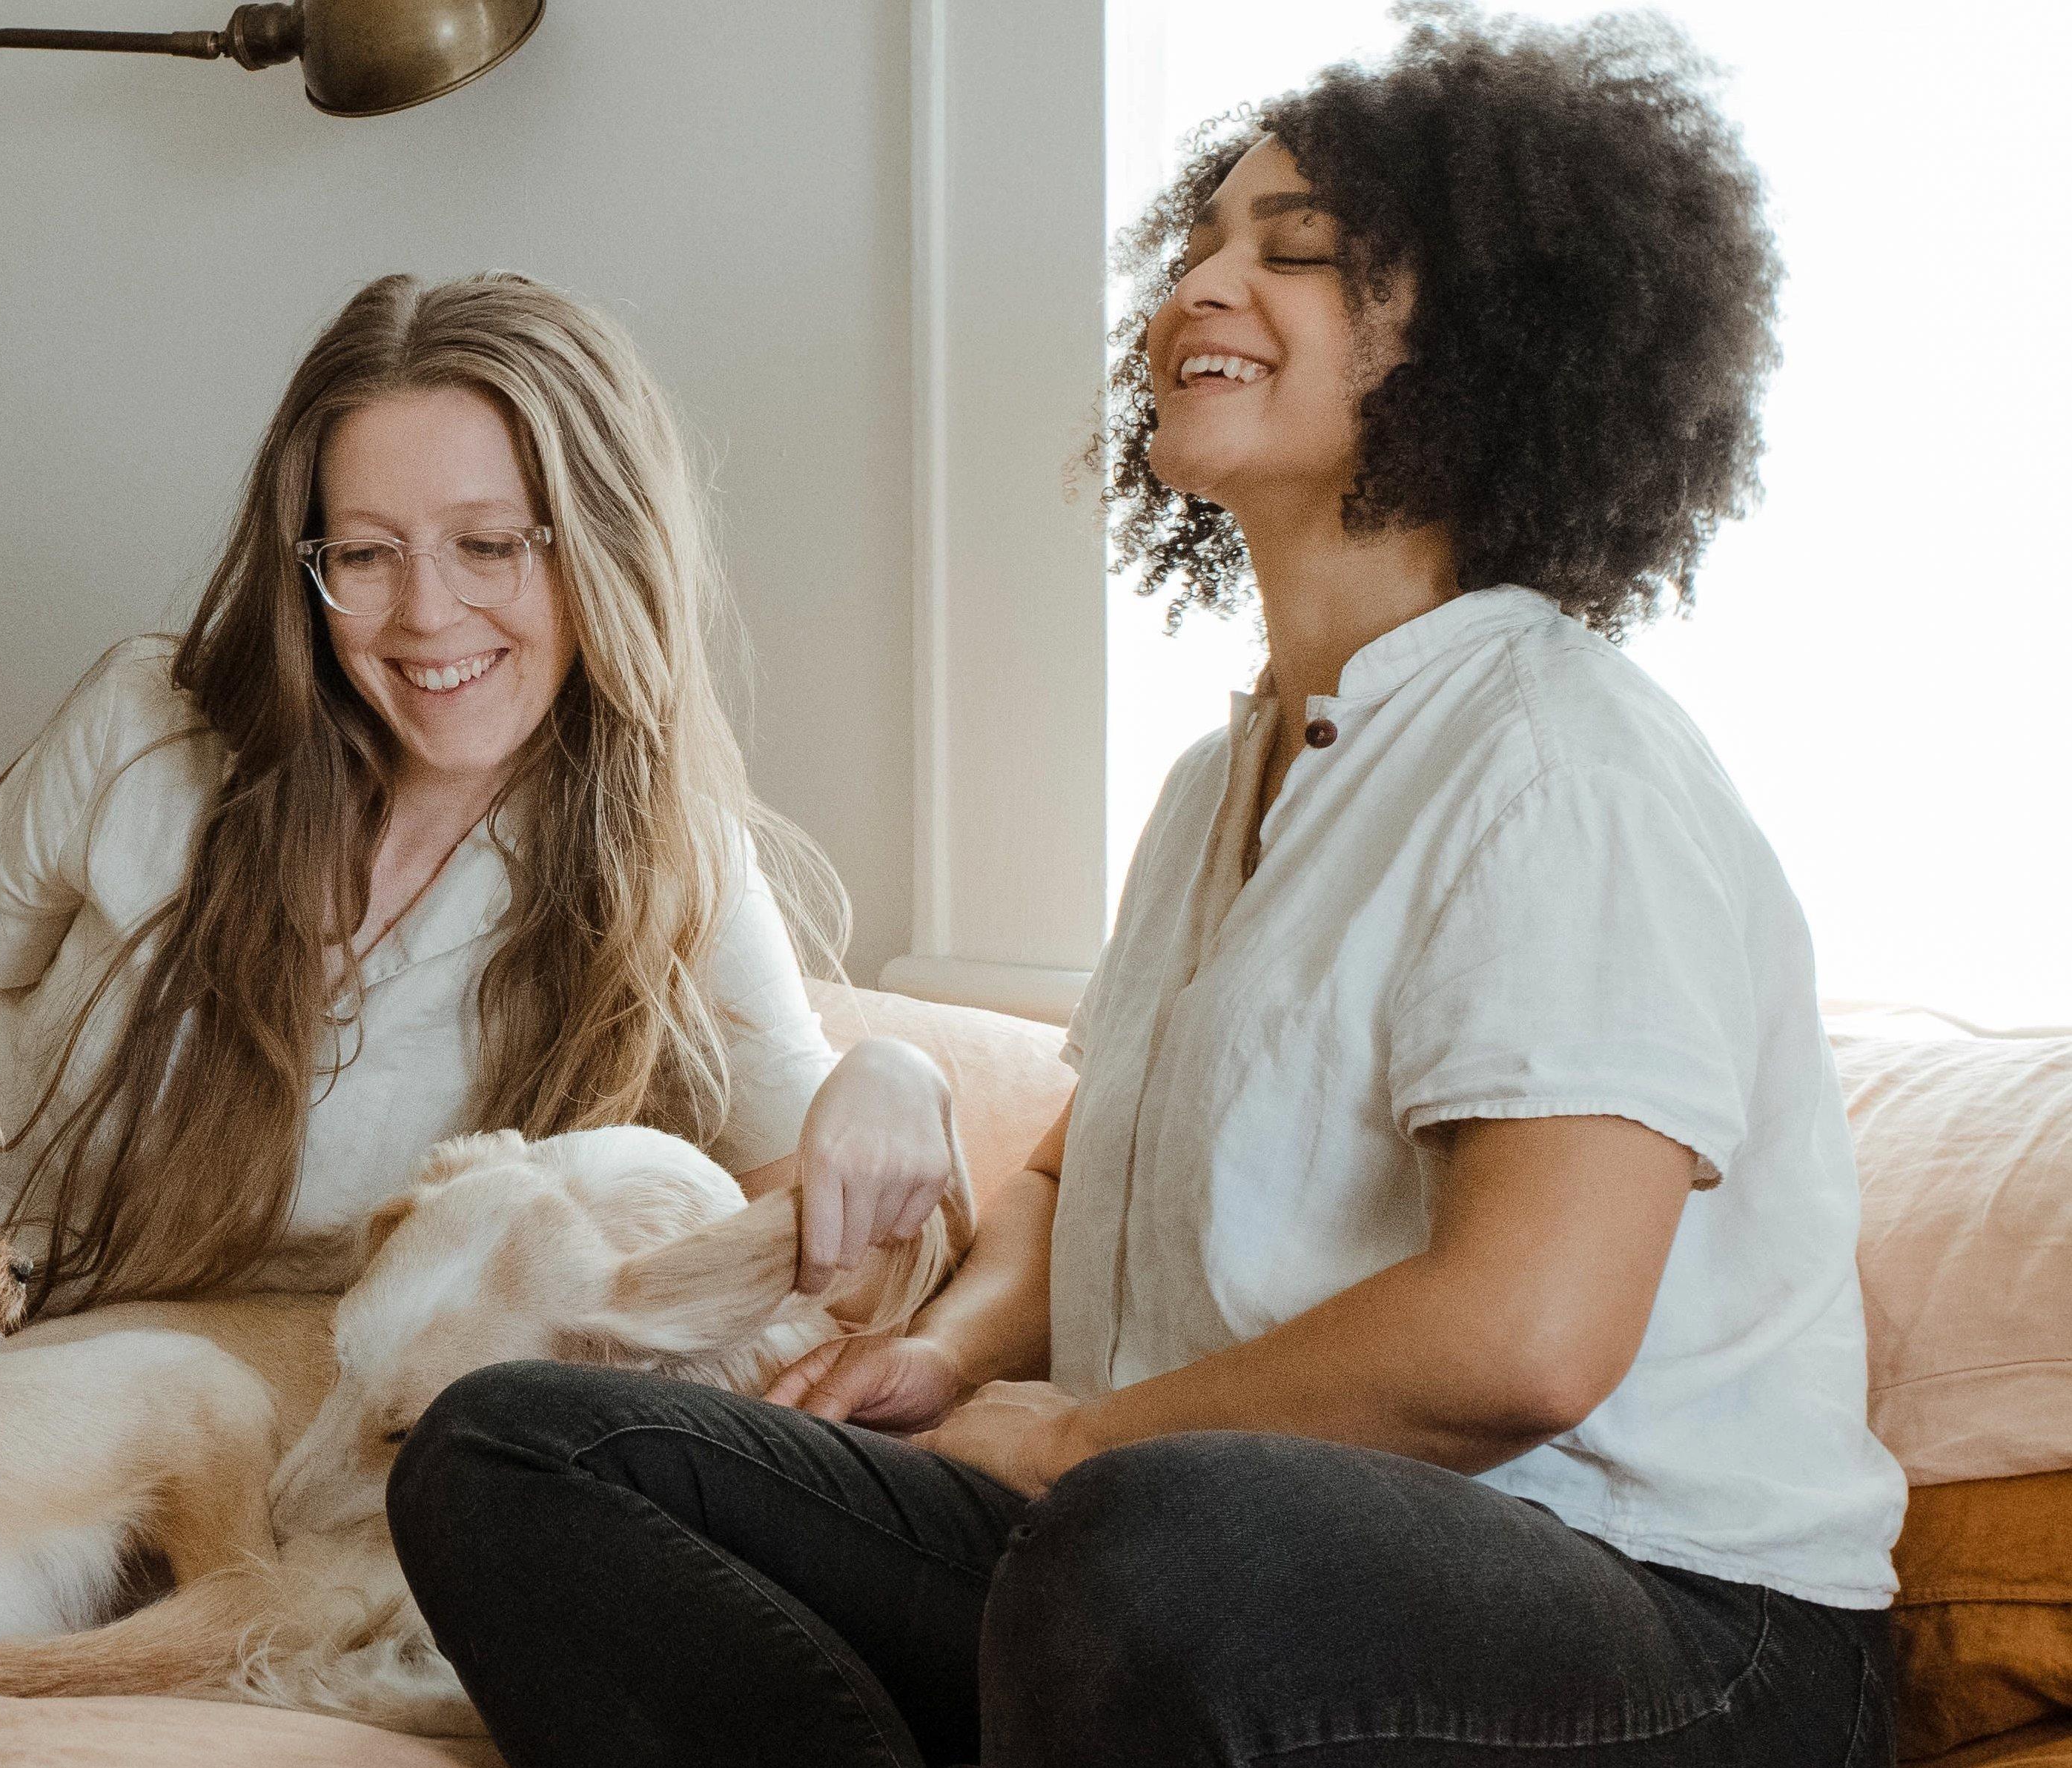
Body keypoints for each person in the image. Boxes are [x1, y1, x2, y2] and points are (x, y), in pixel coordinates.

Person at [385, 11, 1903, 1767]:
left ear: (1486, 342)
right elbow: (1067, 1161)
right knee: (516, 1453)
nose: (1200, 285)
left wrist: (1083, 1438)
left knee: (1145, 1546)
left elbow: (1526, 1337)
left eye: (1296, 253)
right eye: (1195, 244)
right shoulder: (1219, 781)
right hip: (1170, 1561)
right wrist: (948, 1360)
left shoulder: (1559, 763)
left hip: (1674, 1632)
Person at [0, 271, 953, 1317]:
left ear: (604, 551)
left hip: (227, 1398)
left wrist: (898, 1077)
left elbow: (840, 1269)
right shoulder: (146, 725)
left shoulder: (671, 862)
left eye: (487, 545)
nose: (425, 613)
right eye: (368, 554)